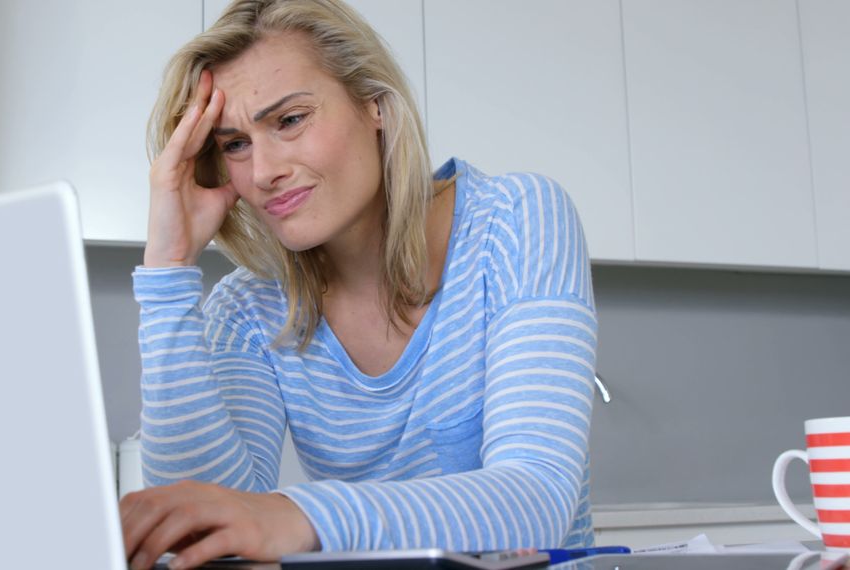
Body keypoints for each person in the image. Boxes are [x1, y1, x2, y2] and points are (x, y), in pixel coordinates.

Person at [120, 0, 597, 568]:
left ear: (373, 102)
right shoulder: (249, 309)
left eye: (290, 120)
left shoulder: (518, 220)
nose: (265, 170)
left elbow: (537, 497)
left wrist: (299, 516)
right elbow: (204, 528)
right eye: (234, 145)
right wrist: (168, 270)